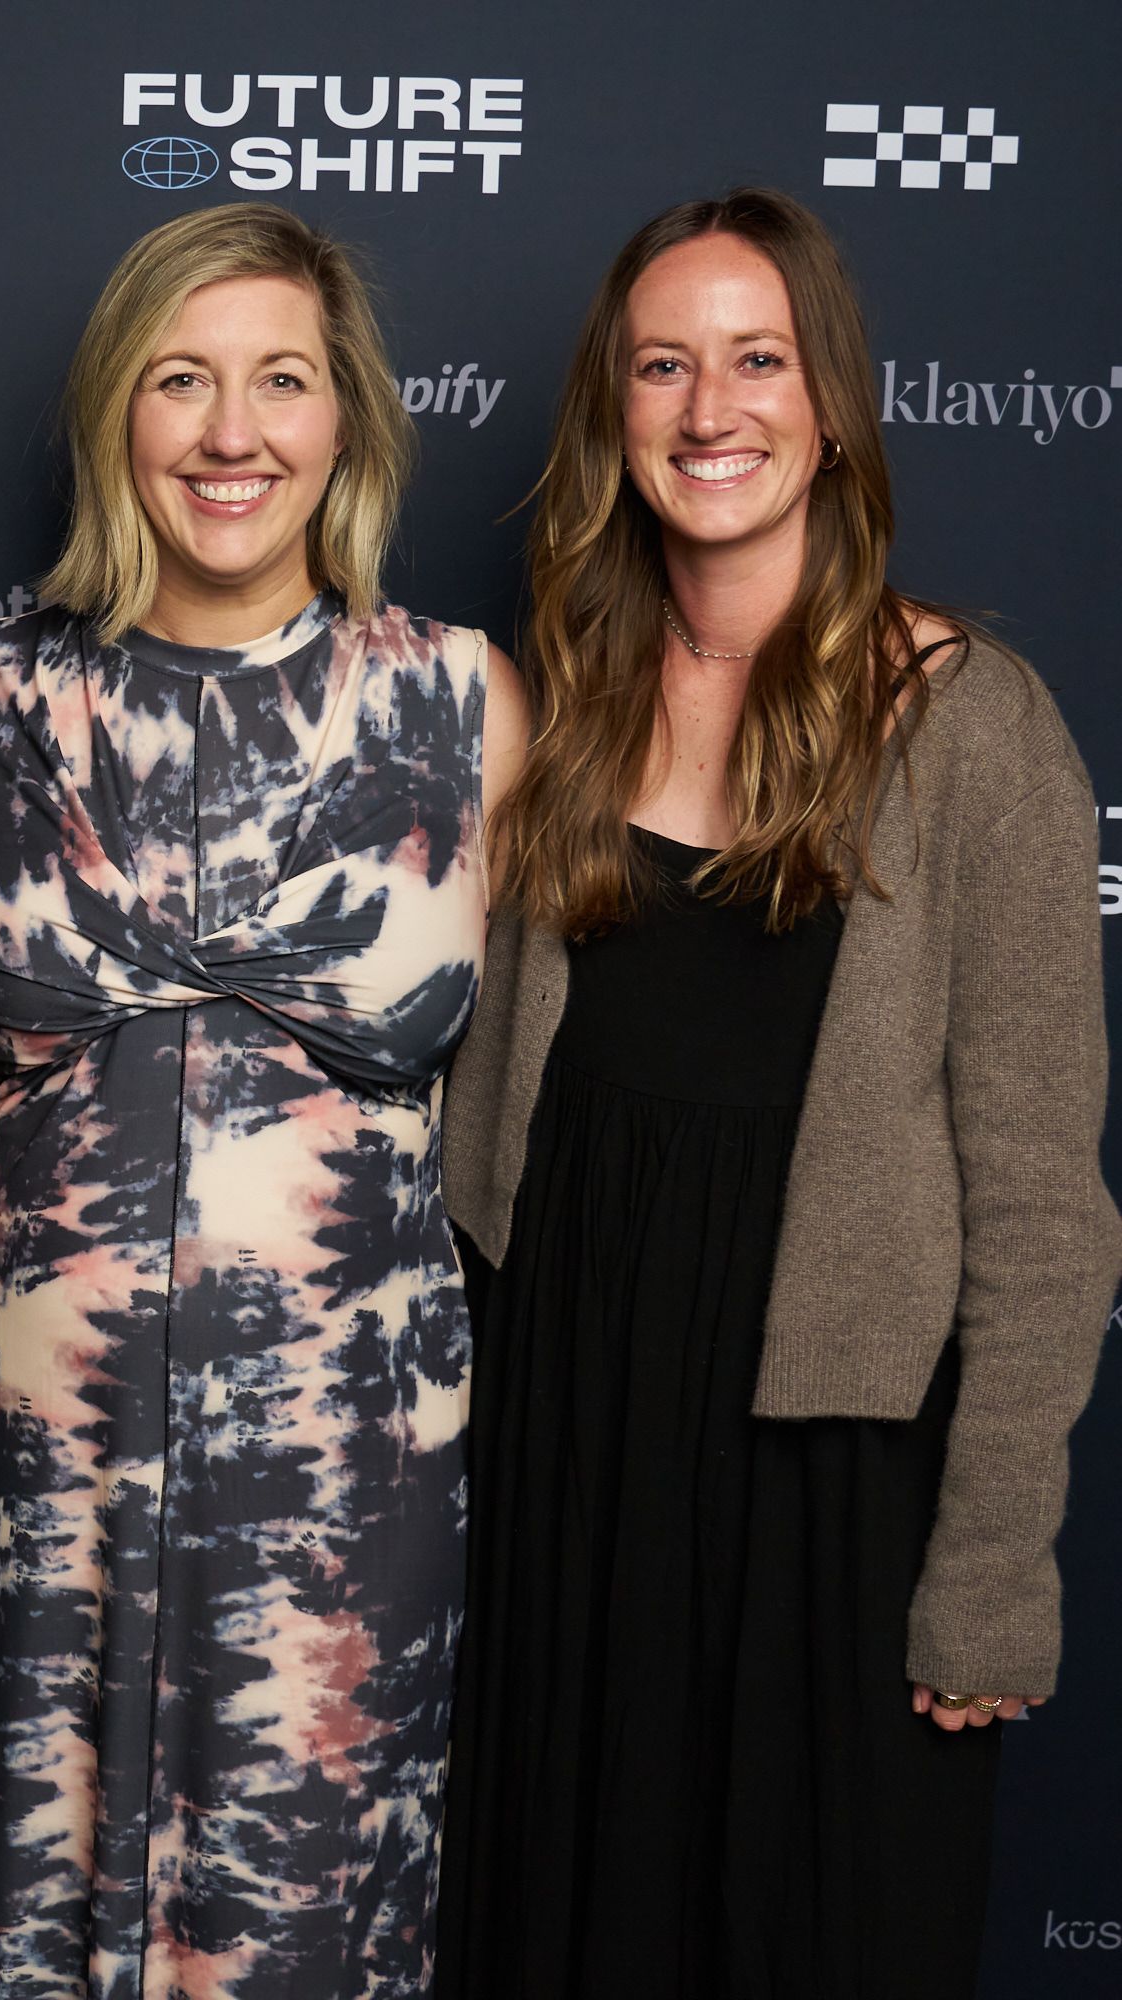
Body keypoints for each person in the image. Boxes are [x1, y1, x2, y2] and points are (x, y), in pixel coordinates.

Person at [435, 187, 1118, 1999]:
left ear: (834, 409)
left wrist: (992, 1568)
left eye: (761, 358)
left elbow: (1047, 1209)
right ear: (615, 409)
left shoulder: (980, 726)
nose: (711, 406)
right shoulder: (553, 701)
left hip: (838, 1473)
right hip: (563, 1434)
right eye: (665, 364)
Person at [0, 203, 527, 1997]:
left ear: (347, 424)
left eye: (280, 383)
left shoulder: (464, 701)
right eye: (183, 381)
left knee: (299, 1936)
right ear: (119, 416)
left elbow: (576, 1084)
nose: (231, 433)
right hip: (27, 1469)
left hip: (340, 1494)